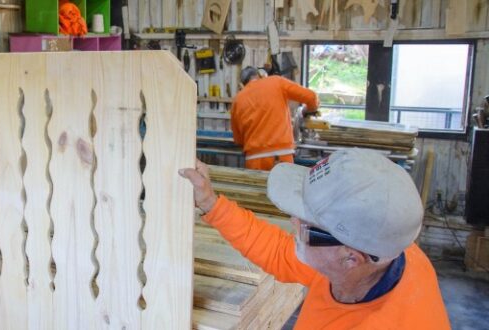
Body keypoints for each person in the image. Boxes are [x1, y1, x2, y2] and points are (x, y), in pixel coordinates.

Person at [180, 148, 450, 329]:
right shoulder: (383, 250)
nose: (293, 223)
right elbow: (277, 252)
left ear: (350, 258)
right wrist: (210, 203)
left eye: (305, 226)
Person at [231, 66, 319, 170]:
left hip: (254, 158)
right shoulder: (276, 82)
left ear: (243, 83)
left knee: (257, 187)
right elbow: (311, 97)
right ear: (259, 75)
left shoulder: (238, 99)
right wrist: (307, 111)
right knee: (283, 186)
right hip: (282, 155)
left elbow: (238, 139)